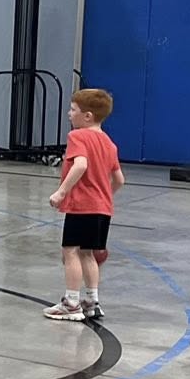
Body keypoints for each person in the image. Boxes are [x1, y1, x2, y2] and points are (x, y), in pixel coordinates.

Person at [45, 88, 125, 322]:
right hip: (102, 208)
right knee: (88, 254)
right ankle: (92, 301)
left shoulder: (78, 137)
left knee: (70, 252)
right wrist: (104, 196)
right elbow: (119, 179)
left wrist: (61, 192)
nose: (69, 114)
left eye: (73, 110)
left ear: (87, 116)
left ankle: (71, 303)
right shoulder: (109, 143)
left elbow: (80, 165)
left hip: (82, 206)